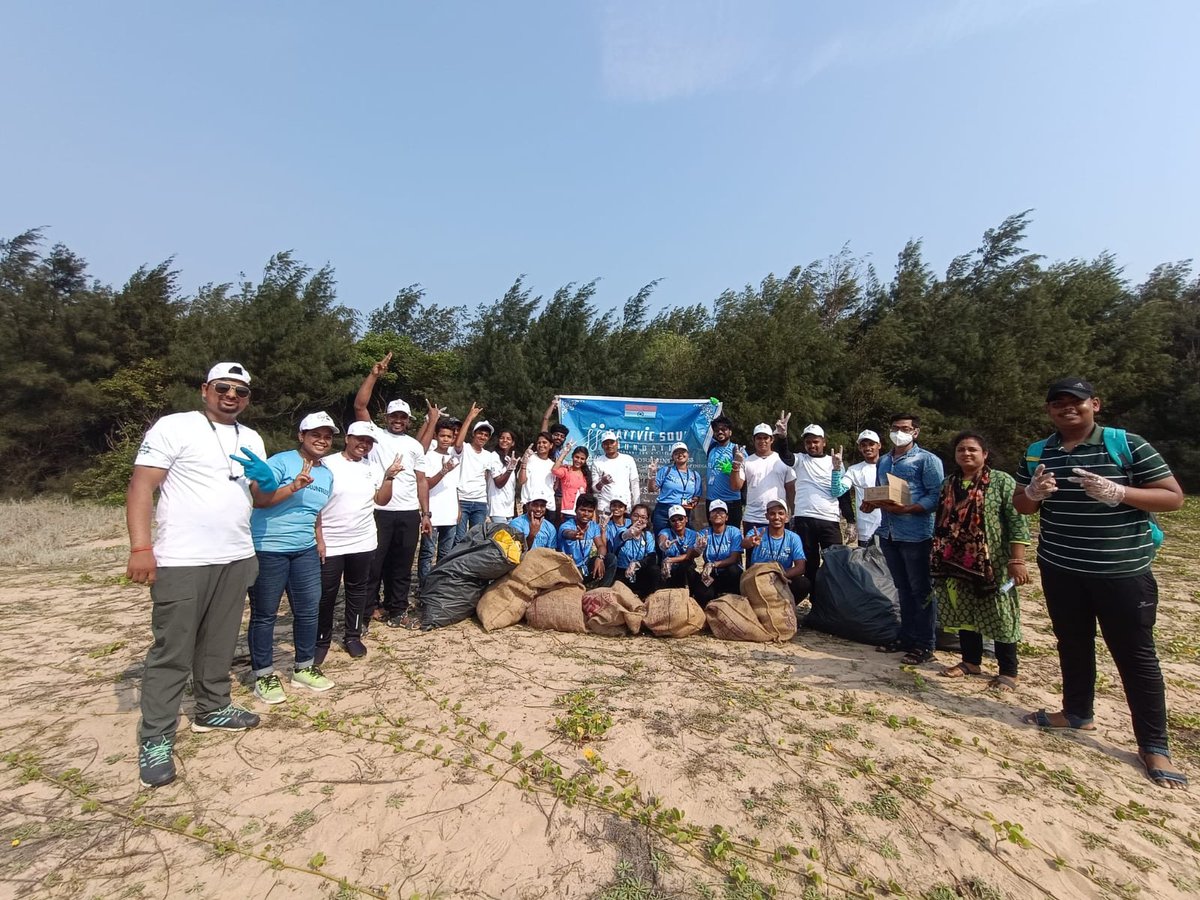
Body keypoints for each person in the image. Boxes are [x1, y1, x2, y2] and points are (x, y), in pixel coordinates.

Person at [1014, 377, 1187, 789]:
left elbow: (1173, 497)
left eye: (1075, 401)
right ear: (1049, 410)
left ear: (1095, 404)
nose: (1066, 408)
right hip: (1061, 568)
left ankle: (1154, 745)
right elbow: (1022, 503)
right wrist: (1034, 492)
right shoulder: (1040, 451)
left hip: (1121, 573)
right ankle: (1076, 712)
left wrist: (1119, 492)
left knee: (1136, 657)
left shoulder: (1127, 444)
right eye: (1057, 403)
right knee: (1071, 643)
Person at [127, 362, 273, 788]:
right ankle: (156, 737)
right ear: (205, 389)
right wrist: (141, 547)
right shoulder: (176, 427)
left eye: (241, 392)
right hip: (183, 558)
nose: (232, 396)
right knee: (172, 649)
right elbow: (141, 485)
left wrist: (265, 482)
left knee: (219, 642)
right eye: (224, 388)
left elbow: (258, 498)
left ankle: (213, 708)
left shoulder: (251, 437)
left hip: (236, 554)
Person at [247, 412, 338, 706]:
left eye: (327, 436)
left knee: (309, 609)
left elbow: (315, 512)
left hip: (305, 550)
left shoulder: (326, 473)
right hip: (268, 548)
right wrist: (293, 486)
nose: (322, 440)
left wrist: (319, 540)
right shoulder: (281, 462)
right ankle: (264, 674)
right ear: (302, 436)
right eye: (315, 434)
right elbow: (259, 500)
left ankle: (304, 667)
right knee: (265, 614)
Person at [931, 432, 1030, 691]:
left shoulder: (1000, 482)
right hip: (956, 559)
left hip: (992, 560)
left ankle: (1008, 670)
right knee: (964, 611)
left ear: (985, 454)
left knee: (1000, 613)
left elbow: (1017, 520)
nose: (966, 453)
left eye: (972, 449)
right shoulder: (948, 483)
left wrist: (1017, 560)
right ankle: (970, 662)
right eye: (961, 449)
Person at [315, 421, 403, 663]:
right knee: (326, 593)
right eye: (359, 439)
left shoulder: (372, 467)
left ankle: (352, 636)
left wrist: (389, 478)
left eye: (368, 441)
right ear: (347, 438)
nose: (363, 445)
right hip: (332, 541)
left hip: (363, 540)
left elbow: (381, 501)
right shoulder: (327, 464)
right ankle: (322, 638)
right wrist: (319, 538)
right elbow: (315, 505)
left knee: (357, 590)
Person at [864, 414, 944, 665]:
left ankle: (925, 644)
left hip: (917, 534)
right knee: (902, 589)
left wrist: (910, 509)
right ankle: (906, 637)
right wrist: (871, 503)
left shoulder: (927, 460)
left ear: (916, 432)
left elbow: (936, 496)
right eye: (895, 428)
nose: (899, 432)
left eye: (905, 429)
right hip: (889, 532)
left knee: (921, 591)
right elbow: (885, 492)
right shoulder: (885, 460)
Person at [354, 353, 425, 629]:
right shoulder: (376, 436)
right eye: (393, 415)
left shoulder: (415, 446)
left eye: (402, 417)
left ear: (408, 420)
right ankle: (368, 609)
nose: (398, 420)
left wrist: (425, 513)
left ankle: (397, 609)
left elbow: (421, 481)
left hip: (409, 513)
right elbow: (360, 406)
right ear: (386, 417)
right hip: (380, 510)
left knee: (402, 566)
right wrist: (374, 375)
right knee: (374, 565)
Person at [791, 424, 849, 575]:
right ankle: (814, 597)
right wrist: (782, 437)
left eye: (816, 441)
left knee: (836, 562)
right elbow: (785, 456)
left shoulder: (835, 461)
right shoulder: (800, 459)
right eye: (808, 442)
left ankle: (833, 597)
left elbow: (841, 493)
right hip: (804, 518)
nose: (812, 445)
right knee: (810, 563)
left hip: (829, 518)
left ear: (824, 442)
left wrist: (851, 521)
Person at [417, 418, 460, 590]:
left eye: (449, 436)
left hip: (450, 512)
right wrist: (443, 471)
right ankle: (424, 587)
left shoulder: (454, 458)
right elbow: (425, 484)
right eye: (442, 435)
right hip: (432, 513)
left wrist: (459, 508)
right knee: (427, 553)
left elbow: (455, 487)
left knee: (446, 554)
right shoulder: (427, 456)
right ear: (436, 435)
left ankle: (440, 588)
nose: (445, 439)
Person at [742, 498, 810, 601]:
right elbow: (744, 544)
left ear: (786, 517)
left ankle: (786, 610)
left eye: (781, 513)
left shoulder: (793, 538)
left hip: (782, 577)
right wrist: (750, 541)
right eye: (772, 513)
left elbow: (800, 567)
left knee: (803, 583)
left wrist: (780, 575)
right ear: (767, 516)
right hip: (758, 577)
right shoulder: (756, 532)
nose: (776, 517)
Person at [454, 405, 504, 541]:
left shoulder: (488, 455)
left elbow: (488, 476)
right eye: (480, 433)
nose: (483, 436)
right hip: (462, 500)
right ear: (474, 434)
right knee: (459, 538)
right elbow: (457, 443)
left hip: (480, 502)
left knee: (477, 539)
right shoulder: (465, 448)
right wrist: (470, 417)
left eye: (486, 435)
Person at [735, 423, 796, 534]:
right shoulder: (747, 461)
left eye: (765, 438)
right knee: (754, 551)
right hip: (752, 518)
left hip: (778, 517)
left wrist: (794, 513)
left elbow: (790, 488)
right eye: (759, 438)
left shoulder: (782, 460)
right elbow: (736, 486)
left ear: (771, 440)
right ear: (754, 440)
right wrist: (736, 464)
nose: (762, 441)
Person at [692, 499, 744, 605]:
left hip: (729, 572)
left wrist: (714, 564)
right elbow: (694, 555)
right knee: (702, 594)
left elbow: (734, 558)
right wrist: (698, 549)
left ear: (727, 517)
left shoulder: (734, 532)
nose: (718, 514)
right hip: (711, 574)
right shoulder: (703, 533)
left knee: (734, 570)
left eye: (721, 511)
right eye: (714, 511)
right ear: (710, 517)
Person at [647, 442, 702, 534]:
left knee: (684, 541)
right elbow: (652, 489)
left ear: (688, 454)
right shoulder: (666, 470)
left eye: (683, 452)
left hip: (684, 512)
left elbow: (696, 497)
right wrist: (652, 475)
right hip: (664, 512)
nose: (680, 455)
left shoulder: (695, 475)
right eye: (676, 453)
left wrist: (693, 503)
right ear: (673, 457)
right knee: (662, 540)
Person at [842, 430, 883, 546]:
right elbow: (840, 490)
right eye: (863, 445)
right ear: (860, 448)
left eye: (871, 444)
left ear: (879, 445)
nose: (867, 448)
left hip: (888, 528)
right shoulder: (854, 470)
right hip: (866, 529)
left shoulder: (889, 465)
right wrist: (837, 469)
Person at [558, 493, 607, 585]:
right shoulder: (566, 525)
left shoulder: (593, 526)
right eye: (583, 510)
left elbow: (601, 545)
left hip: (585, 567)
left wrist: (600, 558)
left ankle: (602, 589)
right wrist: (575, 535)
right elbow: (566, 533)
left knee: (610, 559)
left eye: (590, 511)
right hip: (569, 569)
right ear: (576, 510)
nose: (586, 514)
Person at [705, 415, 745, 526]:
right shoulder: (711, 448)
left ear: (730, 432)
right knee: (714, 535)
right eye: (717, 430)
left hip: (730, 502)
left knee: (732, 536)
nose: (720, 432)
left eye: (724, 429)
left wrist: (732, 469)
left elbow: (741, 480)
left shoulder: (737, 450)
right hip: (711, 501)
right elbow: (701, 429)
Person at [614, 503, 659, 598]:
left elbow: (652, 557)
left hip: (639, 572)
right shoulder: (621, 530)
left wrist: (636, 564)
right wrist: (630, 533)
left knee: (654, 569)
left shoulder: (647, 535)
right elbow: (623, 536)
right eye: (636, 516)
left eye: (643, 517)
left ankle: (652, 597)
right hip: (623, 572)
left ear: (647, 520)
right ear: (630, 516)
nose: (639, 520)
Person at [591, 431, 641, 514]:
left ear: (617, 443)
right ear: (602, 446)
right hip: (605, 508)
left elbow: (634, 483)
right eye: (606, 443)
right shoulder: (597, 462)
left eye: (612, 442)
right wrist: (602, 482)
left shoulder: (628, 459)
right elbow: (594, 489)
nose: (609, 445)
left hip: (624, 507)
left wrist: (637, 506)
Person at [656, 503, 700, 589]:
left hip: (684, 567)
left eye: (680, 519)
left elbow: (688, 555)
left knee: (687, 566)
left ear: (686, 519)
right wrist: (664, 545)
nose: (677, 522)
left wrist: (670, 560)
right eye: (673, 520)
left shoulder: (692, 534)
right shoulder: (665, 532)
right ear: (670, 522)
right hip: (669, 568)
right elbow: (662, 540)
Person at [518, 432, 557, 517]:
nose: (541, 445)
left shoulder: (552, 464)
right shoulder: (529, 458)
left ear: (551, 445)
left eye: (544, 442)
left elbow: (554, 486)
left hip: (548, 506)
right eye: (539, 443)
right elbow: (521, 481)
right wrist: (524, 463)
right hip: (530, 504)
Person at [553, 441, 593, 520]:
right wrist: (564, 453)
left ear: (585, 460)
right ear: (572, 456)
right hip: (566, 511)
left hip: (581, 512)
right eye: (577, 457)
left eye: (582, 459)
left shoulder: (586, 474)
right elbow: (554, 470)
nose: (578, 460)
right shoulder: (566, 470)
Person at [487, 428, 520, 524]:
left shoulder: (509, 459)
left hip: (509, 510)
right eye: (502, 438)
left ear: (512, 443)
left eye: (508, 439)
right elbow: (499, 483)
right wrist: (509, 469)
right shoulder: (493, 457)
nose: (505, 440)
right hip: (497, 508)